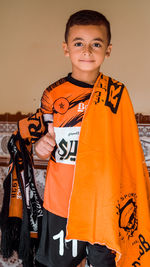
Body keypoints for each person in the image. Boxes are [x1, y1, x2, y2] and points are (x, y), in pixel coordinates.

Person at [35, 9, 117, 267]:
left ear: (108, 50)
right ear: (66, 49)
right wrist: (41, 147)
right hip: (62, 199)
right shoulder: (53, 94)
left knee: (104, 262)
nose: (87, 51)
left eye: (96, 44)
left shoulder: (115, 94)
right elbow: (41, 146)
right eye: (79, 43)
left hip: (102, 201)